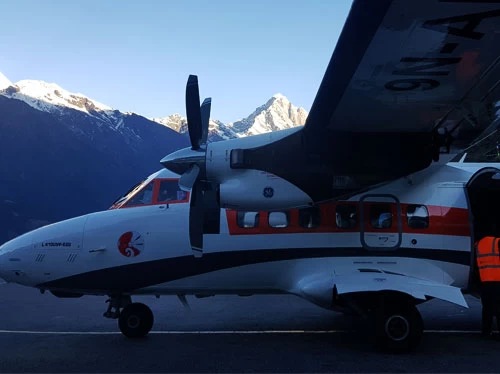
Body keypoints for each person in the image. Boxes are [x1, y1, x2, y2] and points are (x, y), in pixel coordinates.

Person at [475, 236, 500, 338]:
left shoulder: (478, 244)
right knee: (499, 308)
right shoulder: (497, 241)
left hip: (484, 280)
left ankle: (486, 331)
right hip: (498, 280)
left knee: (487, 308)